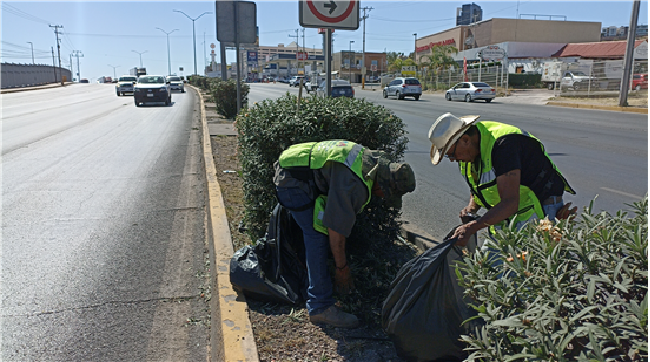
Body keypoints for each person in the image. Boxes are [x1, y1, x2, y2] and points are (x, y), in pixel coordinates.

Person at [274, 140, 416, 328]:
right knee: (317, 236)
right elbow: (336, 232)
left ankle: (312, 285)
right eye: (386, 194)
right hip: (291, 181)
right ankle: (320, 307)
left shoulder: (371, 160)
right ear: (382, 184)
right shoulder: (353, 182)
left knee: (319, 231)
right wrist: (342, 269)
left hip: (295, 165)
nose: (382, 197)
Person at [428, 112, 576, 247]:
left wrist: (473, 227)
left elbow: (510, 202)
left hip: (538, 208)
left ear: (465, 140)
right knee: (490, 265)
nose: (453, 160)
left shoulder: (504, 145)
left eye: (450, 154)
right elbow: (479, 184)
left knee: (528, 267)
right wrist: (471, 208)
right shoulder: (468, 153)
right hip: (506, 213)